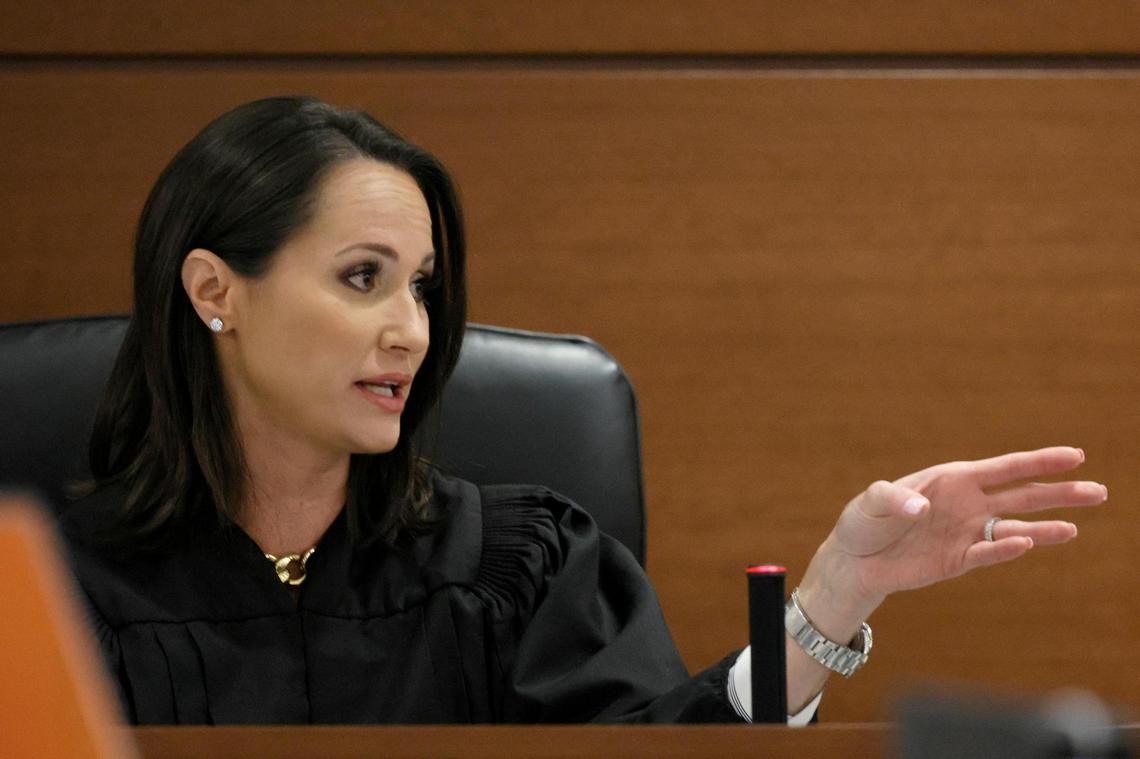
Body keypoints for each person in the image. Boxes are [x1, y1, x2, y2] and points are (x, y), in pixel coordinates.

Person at [60, 96, 1108, 725]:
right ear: (214, 293)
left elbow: (660, 747)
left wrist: (833, 597)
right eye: (361, 277)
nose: (411, 331)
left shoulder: (519, 567)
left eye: (422, 286)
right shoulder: (59, 591)